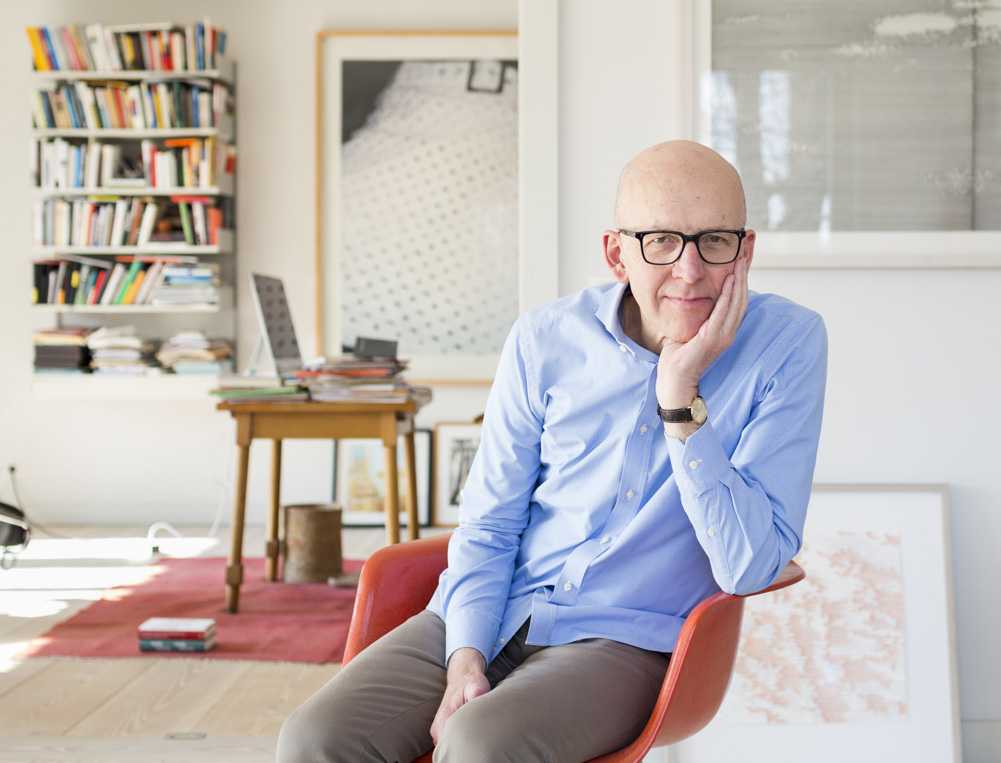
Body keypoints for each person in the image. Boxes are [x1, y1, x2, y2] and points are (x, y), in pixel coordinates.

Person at [277, 140, 827, 762]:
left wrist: (680, 401)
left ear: (745, 251)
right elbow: (490, 523)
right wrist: (465, 659)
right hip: (494, 609)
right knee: (313, 740)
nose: (690, 269)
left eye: (715, 241)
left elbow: (748, 567)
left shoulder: (787, 345)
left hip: (626, 641)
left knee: (481, 744)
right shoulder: (544, 338)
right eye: (661, 241)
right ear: (617, 254)